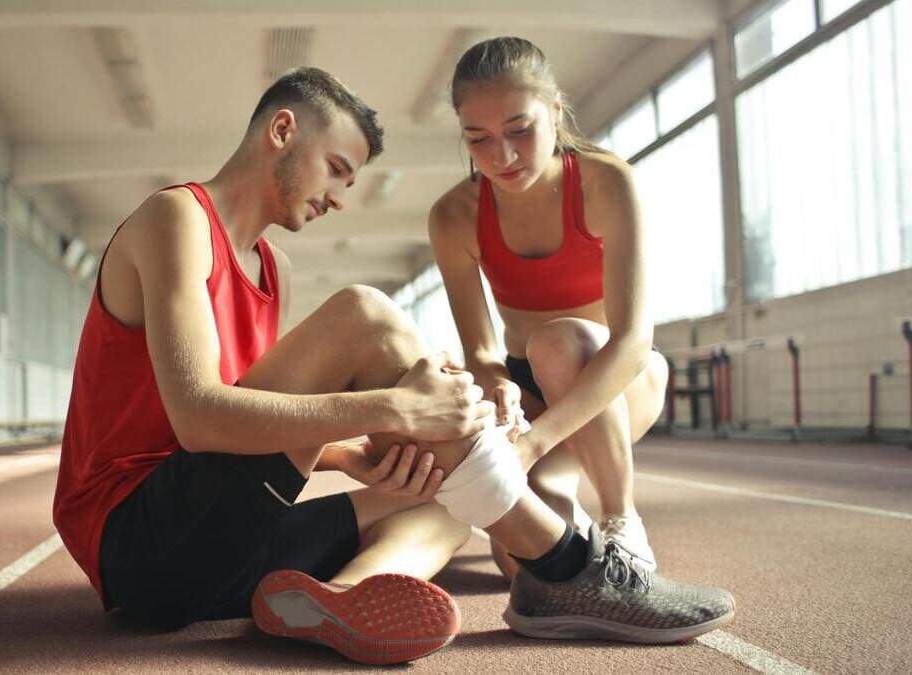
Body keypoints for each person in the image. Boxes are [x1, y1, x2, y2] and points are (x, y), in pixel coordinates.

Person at [53, 66, 732, 666]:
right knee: (363, 314)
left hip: (215, 555)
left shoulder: (273, 269)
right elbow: (200, 420)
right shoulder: (176, 218)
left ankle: (339, 597)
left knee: (445, 493)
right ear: (283, 131)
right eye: (336, 169)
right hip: (140, 547)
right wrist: (394, 409)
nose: (340, 198)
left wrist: (353, 456)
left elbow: (248, 424)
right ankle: (566, 566)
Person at [428, 36, 668, 576]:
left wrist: (534, 445)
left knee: (558, 343)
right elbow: (481, 350)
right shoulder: (453, 216)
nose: (502, 157)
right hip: (530, 393)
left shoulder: (607, 182)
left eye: (519, 130)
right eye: (478, 139)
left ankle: (621, 518)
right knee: (523, 563)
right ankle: (566, 505)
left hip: (619, 379)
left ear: (555, 111)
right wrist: (500, 389)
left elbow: (633, 341)